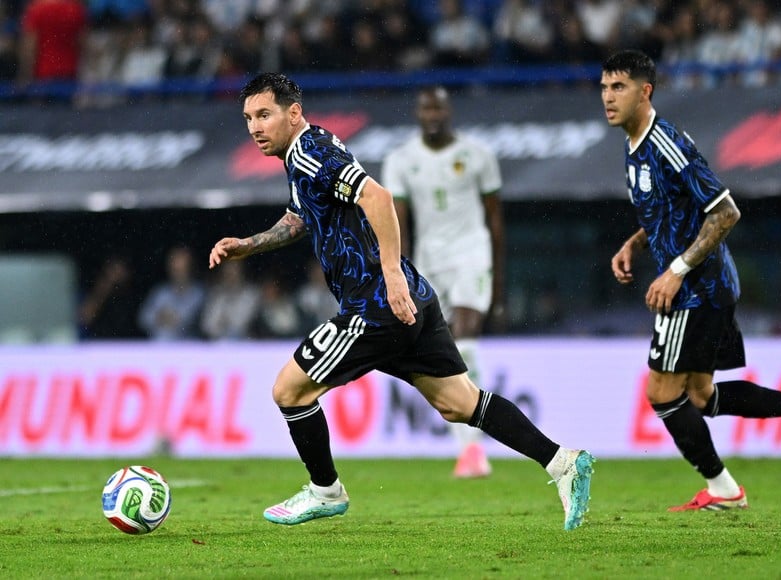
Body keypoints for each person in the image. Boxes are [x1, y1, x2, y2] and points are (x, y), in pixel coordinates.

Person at [208, 72, 594, 531]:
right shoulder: (304, 153)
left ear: (293, 113)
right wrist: (248, 245)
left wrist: (390, 275)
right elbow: (300, 216)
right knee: (459, 403)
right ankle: (562, 462)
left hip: (375, 305)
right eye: (249, 117)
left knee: (289, 391)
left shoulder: (312, 154)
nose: (254, 126)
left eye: (264, 114)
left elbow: (378, 197)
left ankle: (325, 490)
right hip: (411, 296)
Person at [601, 49, 781, 512]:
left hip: (697, 289)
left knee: (661, 392)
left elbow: (725, 211)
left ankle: (724, 489)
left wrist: (676, 272)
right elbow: (673, 208)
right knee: (700, 395)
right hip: (708, 285)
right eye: (603, 87)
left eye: (618, 87)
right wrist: (636, 243)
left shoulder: (666, 143)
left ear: (646, 92)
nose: (607, 96)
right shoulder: (633, 141)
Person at [382, 86, 506, 479]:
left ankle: (474, 450)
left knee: (465, 336)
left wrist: (499, 284)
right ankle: (468, 449)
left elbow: (495, 222)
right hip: (428, 261)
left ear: (448, 111)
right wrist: (397, 273)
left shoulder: (477, 155)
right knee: (443, 351)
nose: (432, 114)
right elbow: (396, 224)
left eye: (438, 107)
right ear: (418, 113)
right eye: (425, 108)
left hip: (472, 252)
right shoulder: (400, 160)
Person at [138, 245, 205, 341]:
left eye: (181, 267)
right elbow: (143, 318)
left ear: (190, 267)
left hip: (187, 348)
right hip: (158, 347)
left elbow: (187, 320)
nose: (177, 271)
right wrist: (159, 317)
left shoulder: (198, 292)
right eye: (174, 266)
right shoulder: (160, 291)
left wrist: (166, 317)